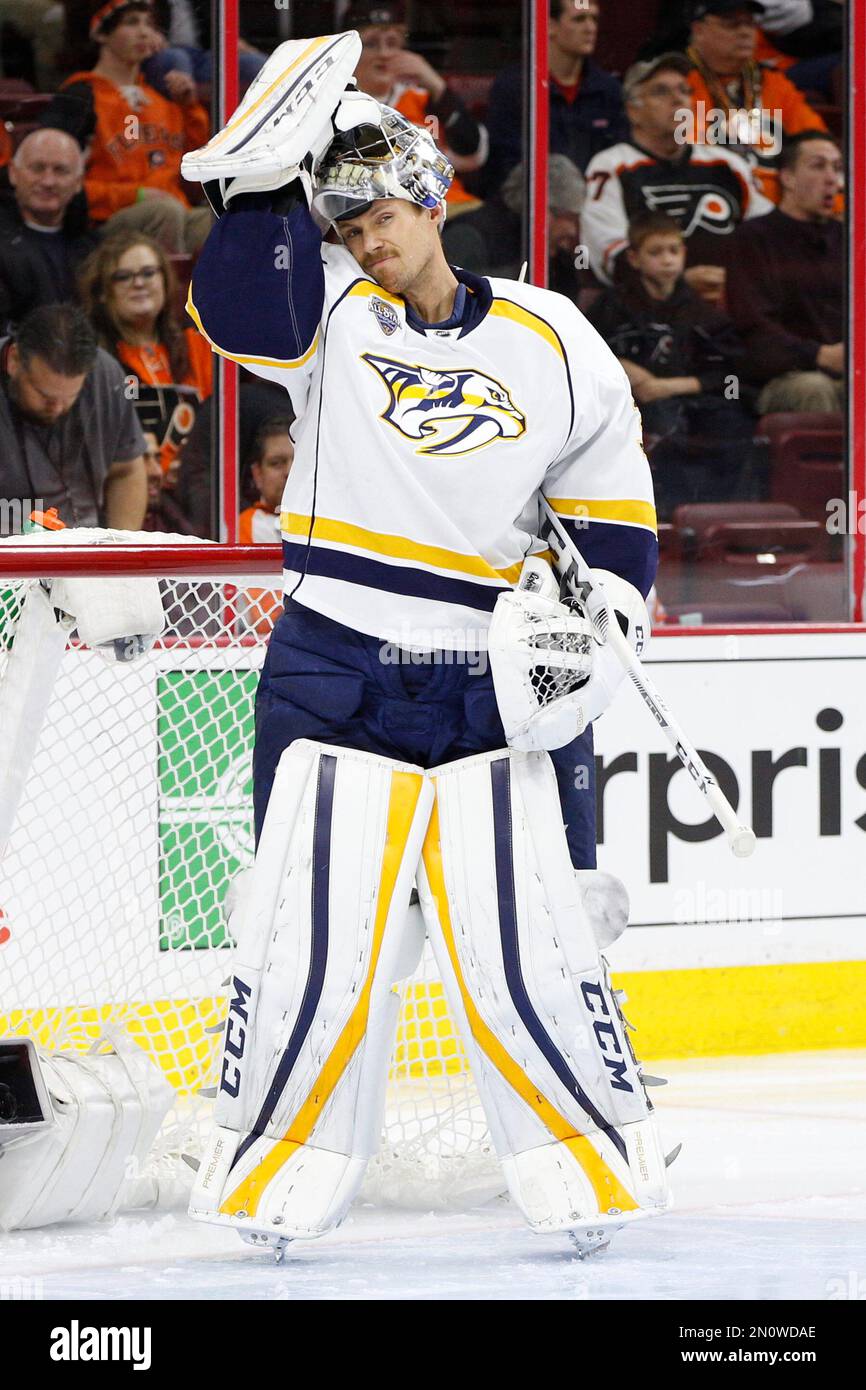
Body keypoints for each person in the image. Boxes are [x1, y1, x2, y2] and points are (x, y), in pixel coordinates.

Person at [181, 37, 669, 1255]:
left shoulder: (553, 337)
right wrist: (252, 193)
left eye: (379, 214)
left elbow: (611, 497)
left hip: (490, 678)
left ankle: (586, 1146)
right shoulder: (331, 317)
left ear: (431, 197)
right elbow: (237, 315)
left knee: (542, 927)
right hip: (331, 661)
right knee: (303, 924)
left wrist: (602, 617)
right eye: (342, 226)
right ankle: (272, 1161)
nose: (364, 240)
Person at [589, 212, 755, 516]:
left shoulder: (704, 313)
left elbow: (730, 372)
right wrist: (620, 365)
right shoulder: (610, 306)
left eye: (673, 251)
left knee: (734, 419)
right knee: (659, 425)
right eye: (656, 252)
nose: (667, 260)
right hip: (632, 406)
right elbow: (581, 351)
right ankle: (660, 514)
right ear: (634, 258)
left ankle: (714, 513)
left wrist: (665, 386)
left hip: (691, 401)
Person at [582, 51, 773, 300]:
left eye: (684, 90)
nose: (678, 99)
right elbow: (608, 254)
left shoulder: (727, 164)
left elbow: (771, 235)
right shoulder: (612, 165)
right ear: (633, 111)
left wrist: (741, 280)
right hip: (653, 309)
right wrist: (678, 283)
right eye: (661, 91)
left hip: (735, 302)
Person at [40, 0, 212, 253]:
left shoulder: (160, 100)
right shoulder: (80, 96)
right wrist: (136, 196)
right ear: (100, 33)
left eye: (149, 24)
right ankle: (164, 292)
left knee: (225, 220)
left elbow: (197, 175)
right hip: (106, 223)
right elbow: (61, 183)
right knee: (165, 212)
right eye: (131, 23)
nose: (144, 32)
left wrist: (190, 108)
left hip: (174, 213)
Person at [0, 302, 146, 534]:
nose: (57, 408)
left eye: (70, 397)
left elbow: (127, 471)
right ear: (14, 360)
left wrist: (121, 549)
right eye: (44, 395)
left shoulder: (106, 376)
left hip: (88, 546)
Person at [725, 129, 844, 413]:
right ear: (787, 177)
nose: (832, 179)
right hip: (781, 378)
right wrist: (820, 355)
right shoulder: (754, 238)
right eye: (818, 166)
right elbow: (754, 329)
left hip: (849, 373)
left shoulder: (850, 239)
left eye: (837, 168)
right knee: (813, 389)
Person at [78, 230, 212, 476]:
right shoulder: (92, 361)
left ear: (165, 281)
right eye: (123, 277)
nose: (139, 283)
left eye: (149, 273)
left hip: (196, 488)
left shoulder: (199, 345)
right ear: (103, 293)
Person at [347, 0, 488, 212]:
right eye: (372, 44)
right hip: (378, 211)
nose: (384, 53)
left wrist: (435, 83)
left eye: (393, 43)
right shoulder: (337, 103)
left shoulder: (422, 97)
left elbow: (472, 154)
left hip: (448, 208)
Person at [685, 0, 829, 200]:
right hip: (711, 206)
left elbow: (816, 143)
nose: (745, 32)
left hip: (776, 216)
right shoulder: (678, 82)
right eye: (731, 24)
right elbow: (684, 160)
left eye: (750, 24)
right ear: (699, 30)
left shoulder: (773, 83)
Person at [484, 0, 628, 192]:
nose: (590, 28)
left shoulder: (608, 89)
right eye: (579, 19)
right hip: (527, 206)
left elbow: (619, 157)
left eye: (594, 19)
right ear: (550, 26)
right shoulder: (515, 87)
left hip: (595, 204)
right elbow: (505, 164)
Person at [442, 154, 585, 295]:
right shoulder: (469, 235)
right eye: (571, 218)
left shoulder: (556, 259)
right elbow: (449, 293)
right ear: (544, 211)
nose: (573, 230)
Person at [0, 129, 96, 330]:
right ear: (13, 173)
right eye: (37, 168)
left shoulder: (96, 250)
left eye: (60, 170)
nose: (48, 181)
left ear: (79, 182)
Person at [238, 417, 295, 545]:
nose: (289, 471)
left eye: (298, 462)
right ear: (257, 474)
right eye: (277, 463)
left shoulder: (328, 521)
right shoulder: (245, 527)